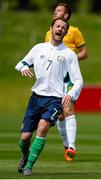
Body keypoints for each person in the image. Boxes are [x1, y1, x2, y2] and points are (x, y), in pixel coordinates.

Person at [15, 18, 83, 176]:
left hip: (54, 99)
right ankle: (25, 157)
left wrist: (70, 93)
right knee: (25, 137)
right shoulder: (38, 48)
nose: (60, 29)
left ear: (65, 33)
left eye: (64, 28)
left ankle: (29, 167)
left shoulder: (69, 54)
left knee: (43, 127)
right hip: (36, 97)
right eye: (58, 26)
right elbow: (21, 63)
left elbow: (78, 80)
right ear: (51, 28)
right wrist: (24, 67)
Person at [45, 3, 88, 161]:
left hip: (68, 76)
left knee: (68, 109)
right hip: (54, 77)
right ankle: (66, 144)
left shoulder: (74, 31)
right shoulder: (49, 33)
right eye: (54, 9)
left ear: (66, 15)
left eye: (58, 10)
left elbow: (84, 52)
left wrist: (69, 58)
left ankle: (72, 147)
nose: (55, 11)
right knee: (60, 115)